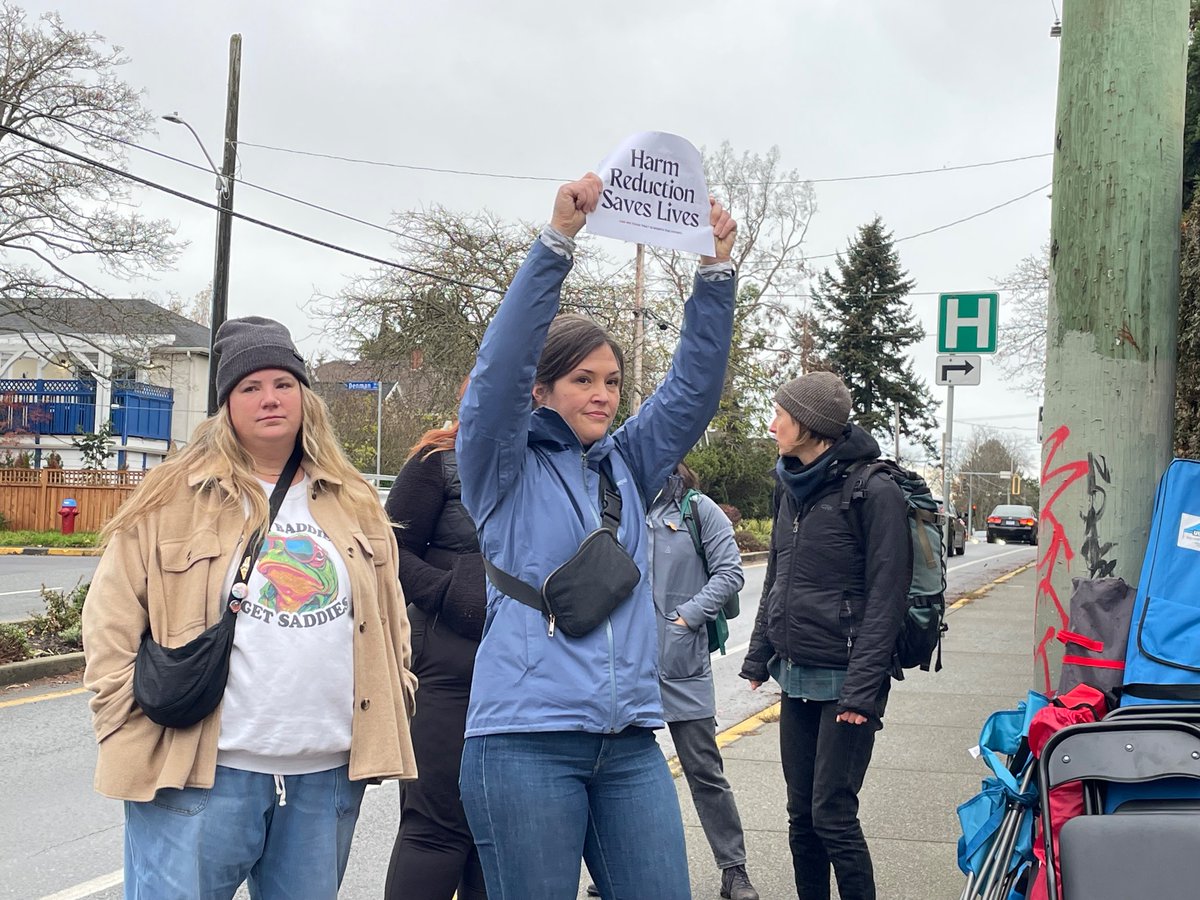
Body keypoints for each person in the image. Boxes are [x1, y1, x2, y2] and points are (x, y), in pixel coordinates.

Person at [455, 173, 737, 900]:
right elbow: (499, 367)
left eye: (612, 381)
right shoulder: (499, 466)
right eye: (584, 379)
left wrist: (715, 275)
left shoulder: (626, 464)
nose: (604, 395)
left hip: (630, 741)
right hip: (523, 743)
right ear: (542, 390)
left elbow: (690, 392)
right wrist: (556, 243)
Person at [82, 316, 418, 900]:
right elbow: (109, 620)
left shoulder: (355, 500)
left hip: (326, 775)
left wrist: (400, 688)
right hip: (199, 773)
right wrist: (123, 721)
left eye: (284, 384)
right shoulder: (172, 496)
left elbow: (392, 620)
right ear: (226, 406)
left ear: (305, 397)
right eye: (250, 387)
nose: (270, 399)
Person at [739, 371, 911, 900]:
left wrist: (862, 691)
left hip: (847, 681)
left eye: (781, 417)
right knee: (800, 814)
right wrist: (758, 654)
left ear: (811, 426)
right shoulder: (790, 486)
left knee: (832, 814)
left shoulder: (873, 490)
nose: (772, 426)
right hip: (796, 675)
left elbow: (887, 599)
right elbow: (776, 576)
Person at [383, 399, 488, 900]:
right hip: (448, 661)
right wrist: (451, 593)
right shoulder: (439, 461)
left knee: (496, 835)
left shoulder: (555, 465)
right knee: (438, 825)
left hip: (531, 668)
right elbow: (388, 549)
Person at [646, 462, 759, 900]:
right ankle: (619, 866)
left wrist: (686, 618)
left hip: (682, 663)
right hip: (627, 667)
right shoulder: (617, 505)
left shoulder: (698, 509)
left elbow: (731, 573)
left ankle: (735, 871)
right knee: (628, 776)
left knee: (704, 772)